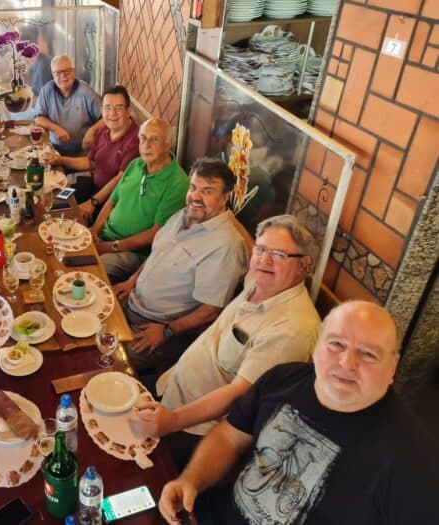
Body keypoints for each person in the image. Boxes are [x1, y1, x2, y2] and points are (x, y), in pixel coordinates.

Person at [159, 301, 439, 525]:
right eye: (336, 344)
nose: (347, 362)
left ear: (392, 367)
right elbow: (230, 438)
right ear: (317, 347)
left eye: (368, 354)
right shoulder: (281, 379)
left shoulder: (415, 461)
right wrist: (190, 481)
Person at [132, 214, 320, 469]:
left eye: (279, 255)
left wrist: (173, 421)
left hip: (194, 429)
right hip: (171, 384)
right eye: (261, 249)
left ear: (305, 265)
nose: (264, 259)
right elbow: (254, 248)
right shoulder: (259, 279)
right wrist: (232, 219)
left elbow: (239, 395)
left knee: (130, 473)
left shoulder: (292, 329)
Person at [113, 159, 249, 376]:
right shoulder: (182, 215)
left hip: (155, 328)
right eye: (193, 187)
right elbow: (158, 254)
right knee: (85, 320)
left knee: (107, 362)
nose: (195, 196)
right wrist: (133, 280)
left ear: (224, 198)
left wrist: (167, 331)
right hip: (131, 301)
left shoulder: (225, 246)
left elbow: (210, 311)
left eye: (207, 191)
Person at [90, 117, 189, 283]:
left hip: (134, 253)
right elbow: (111, 202)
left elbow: (155, 234)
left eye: (154, 139)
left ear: (168, 143)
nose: (146, 145)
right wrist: (94, 231)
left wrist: (111, 247)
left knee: (90, 269)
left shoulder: (177, 183)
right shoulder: (136, 164)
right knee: (67, 247)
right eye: (143, 138)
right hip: (104, 236)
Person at [50, 85, 140, 215]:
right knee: (56, 201)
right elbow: (90, 162)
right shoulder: (104, 129)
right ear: (101, 110)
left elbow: (121, 179)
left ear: (128, 111)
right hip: (94, 186)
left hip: (113, 200)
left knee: (69, 217)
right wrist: (61, 160)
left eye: (119, 107)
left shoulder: (135, 139)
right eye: (108, 107)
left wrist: (93, 202)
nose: (112, 113)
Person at [34, 55, 103, 156]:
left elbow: (106, 117)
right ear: (53, 75)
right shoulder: (47, 90)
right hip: (54, 151)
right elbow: (38, 118)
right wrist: (55, 128)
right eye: (58, 73)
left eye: (67, 71)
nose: (63, 76)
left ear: (74, 72)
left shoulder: (86, 91)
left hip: (82, 154)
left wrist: (92, 131)